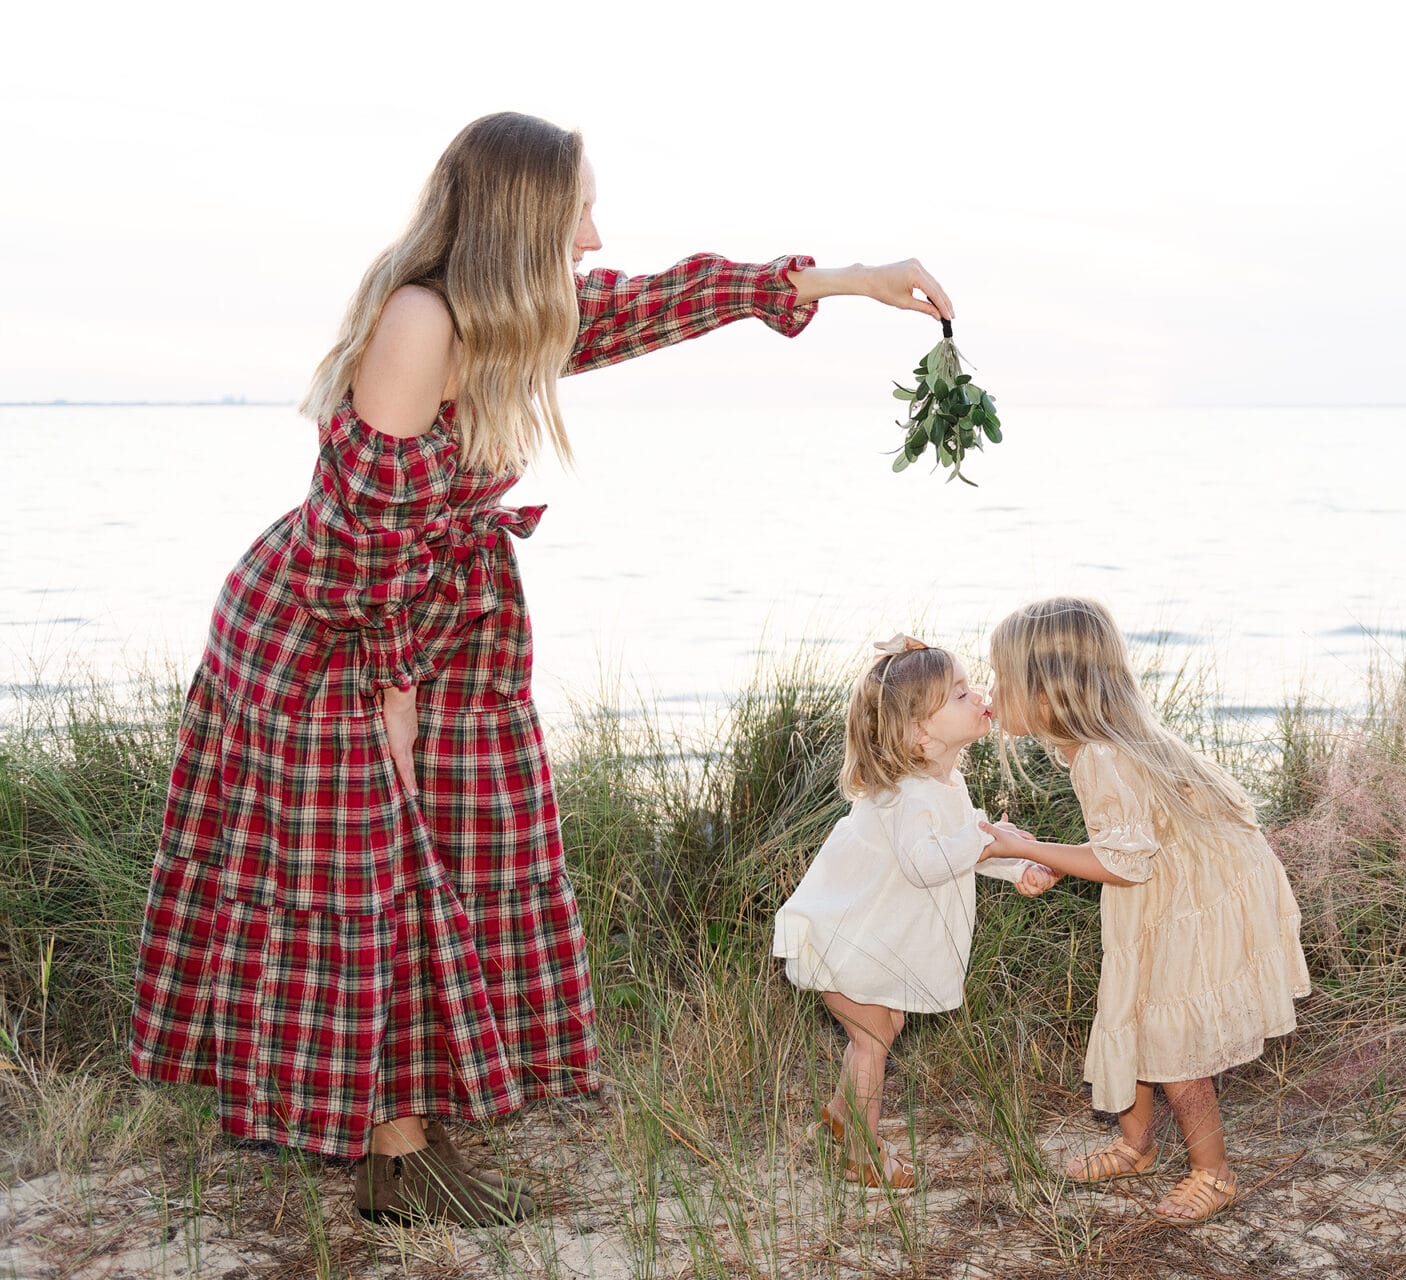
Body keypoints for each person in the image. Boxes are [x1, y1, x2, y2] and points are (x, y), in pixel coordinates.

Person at [126, 111, 956, 1226]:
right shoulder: (418, 322)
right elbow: (353, 540)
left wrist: (859, 281)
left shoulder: (511, 316)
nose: (596, 235)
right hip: (340, 643)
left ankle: (407, 1144)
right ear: (523, 220)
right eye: (579, 215)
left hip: (438, 629)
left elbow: (666, 301)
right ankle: (399, 1155)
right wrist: (398, 703)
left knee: (457, 870)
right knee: (377, 887)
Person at [978, 596, 1312, 1225]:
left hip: (1194, 895)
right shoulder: (1094, 743)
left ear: (1048, 692)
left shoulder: (1101, 754)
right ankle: (1136, 1146)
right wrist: (1057, 856)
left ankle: (1213, 1173)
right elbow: (1125, 843)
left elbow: (1125, 861)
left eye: (1003, 678)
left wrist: (1023, 846)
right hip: (1176, 877)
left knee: (1170, 1034)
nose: (993, 691)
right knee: (1130, 1006)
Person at [771, 635, 1050, 1190]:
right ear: (921, 733)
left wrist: (1014, 865)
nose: (978, 700)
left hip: (871, 936)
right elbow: (928, 864)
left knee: (883, 1027)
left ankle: (840, 1115)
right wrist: (994, 845)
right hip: (845, 935)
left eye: (972, 689)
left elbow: (962, 845)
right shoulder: (907, 795)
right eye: (961, 694)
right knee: (872, 1041)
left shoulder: (943, 783)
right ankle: (861, 1154)